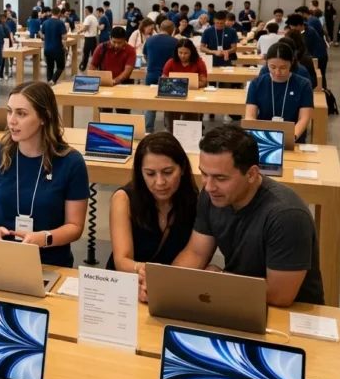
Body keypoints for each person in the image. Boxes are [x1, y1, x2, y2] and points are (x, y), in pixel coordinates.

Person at [139, 126, 324, 306]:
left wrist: (219, 279)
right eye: (204, 174)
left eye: (221, 178)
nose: (209, 186)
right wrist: (166, 282)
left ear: (251, 174)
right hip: (238, 297)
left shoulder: (286, 216)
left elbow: (279, 296)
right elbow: (196, 253)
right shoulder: (212, 196)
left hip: (290, 312)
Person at [0, 81, 90, 267]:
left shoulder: (71, 162)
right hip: (2, 259)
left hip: (50, 261)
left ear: (44, 117)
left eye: (21, 114)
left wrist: (44, 238)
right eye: (9, 111)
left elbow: (75, 227)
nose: (11, 120)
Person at [107, 133, 197, 272]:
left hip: (171, 283)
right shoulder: (123, 199)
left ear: (183, 168)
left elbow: (196, 254)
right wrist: (141, 269)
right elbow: (122, 260)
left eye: (167, 172)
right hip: (129, 280)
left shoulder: (195, 202)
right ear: (140, 173)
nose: (160, 182)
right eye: (150, 174)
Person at [246, 43, 314, 143]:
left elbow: (304, 118)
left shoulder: (304, 85)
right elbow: (250, 116)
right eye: (272, 67)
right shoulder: (256, 83)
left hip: (294, 140)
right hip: (263, 139)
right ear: (266, 63)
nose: (277, 72)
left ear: (291, 63)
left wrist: (289, 139)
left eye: (283, 68)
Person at [161, 39, 208, 130]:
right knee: (172, 125)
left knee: (191, 123)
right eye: (180, 52)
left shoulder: (199, 62)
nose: (182, 56)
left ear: (191, 52)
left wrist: (183, 85)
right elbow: (164, 79)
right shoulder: (171, 62)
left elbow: (203, 81)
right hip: (174, 97)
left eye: (186, 53)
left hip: (193, 97)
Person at [90, 26, 136, 114]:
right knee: (104, 114)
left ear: (125, 40)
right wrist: (93, 81)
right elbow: (93, 66)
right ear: (110, 38)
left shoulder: (130, 50)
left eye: (120, 43)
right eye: (114, 42)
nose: (116, 45)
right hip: (104, 85)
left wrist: (115, 81)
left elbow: (127, 71)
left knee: (123, 114)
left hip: (123, 85)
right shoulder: (101, 48)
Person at [142, 21, 179, 132]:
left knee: (150, 104)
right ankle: (168, 129)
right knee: (169, 104)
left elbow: (145, 55)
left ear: (159, 28)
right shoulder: (176, 42)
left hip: (151, 75)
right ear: (173, 30)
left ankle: (148, 130)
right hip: (169, 77)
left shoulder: (149, 40)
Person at [287, 13, 327, 90]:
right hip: (313, 56)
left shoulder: (309, 32)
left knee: (319, 78)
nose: (291, 28)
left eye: (292, 26)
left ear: (299, 25)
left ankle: (323, 92)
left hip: (318, 57)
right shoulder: (305, 29)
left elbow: (305, 48)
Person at [41, 7, 67, 84]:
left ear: (51, 13)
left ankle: (49, 81)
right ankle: (53, 80)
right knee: (60, 66)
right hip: (57, 48)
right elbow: (64, 37)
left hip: (47, 48)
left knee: (49, 67)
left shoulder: (45, 22)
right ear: (59, 13)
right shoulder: (60, 23)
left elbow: (42, 35)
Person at [79, 6, 99, 71]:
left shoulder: (88, 18)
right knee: (94, 54)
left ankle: (83, 67)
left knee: (86, 53)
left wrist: (79, 31)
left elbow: (86, 28)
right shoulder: (94, 18)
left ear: (87, 11)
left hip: (88, 38)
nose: (84, 12)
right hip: (94, 38)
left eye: (85, 10)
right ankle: (94, 67)